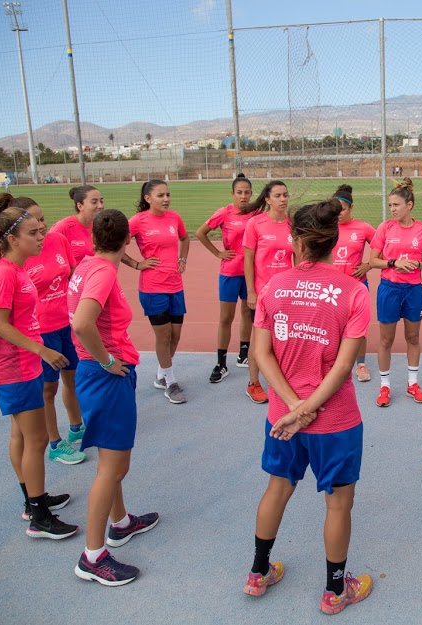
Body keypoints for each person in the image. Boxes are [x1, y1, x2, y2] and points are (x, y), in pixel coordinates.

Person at [245, 199, 373, 615]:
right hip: (334, 419)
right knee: (338, 502)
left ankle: (257, 573)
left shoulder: (273, 286)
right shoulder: (353, 291)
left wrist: (293, 405)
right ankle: (335, 591)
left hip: (281, 416)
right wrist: (309, 407)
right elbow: (343, 365)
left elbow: (261, 355)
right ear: (336, 242)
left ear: (294, 239)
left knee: (277, 489)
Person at [0, 192, 78, 540]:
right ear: (12, 239)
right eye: (33, 232)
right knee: (37, 438)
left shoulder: (15, 269)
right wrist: (41, 350)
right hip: (14, 367)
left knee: (23, 435)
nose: (41, 235)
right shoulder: (4, 274)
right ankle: (39, 514)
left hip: (23, 363)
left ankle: (33, 500)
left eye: (40, 230)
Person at [69, 208, 159, 586]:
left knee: (111, 459)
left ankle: (120, 523)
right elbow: (81, 322)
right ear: (127, 241)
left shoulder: (88, 264)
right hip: (105, 376)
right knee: (113, 467)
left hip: (98, 373)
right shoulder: (104, 272)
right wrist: (106, 361)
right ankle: (92, 557)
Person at [15, 196, 86, 465]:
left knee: (73, 377)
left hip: (67, 323)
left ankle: (76, 426)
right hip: (41, 332)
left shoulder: (58, 240)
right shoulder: (19, 256)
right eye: (34, 223)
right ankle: (55, 443)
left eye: (42, 219)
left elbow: (72, 275)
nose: (43, 226)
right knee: (48, 388)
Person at [367, 178, 422, 407]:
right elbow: (373, 261)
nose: (392, 210)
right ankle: (385, 386)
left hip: (413, 290)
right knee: (386, 340)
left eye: (396, 205)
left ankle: (412, 384)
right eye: (390, 205)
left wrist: (417, 264)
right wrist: (393, 262)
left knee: (413, 338)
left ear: (410, 205)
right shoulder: (385, 228)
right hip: (389, 289)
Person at [128, 180, 190, 404]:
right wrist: (137, 264)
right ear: (147, 198)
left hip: (175, 286)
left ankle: (162, 373)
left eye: (168, 195)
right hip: (153, 288)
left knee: (175, 336)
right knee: (163, 337)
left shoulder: (174, 217)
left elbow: (184, 238)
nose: (166, 199)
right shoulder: (138, 221)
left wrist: (182, 258)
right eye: (160, 195)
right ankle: (170, 382)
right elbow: (116, 245)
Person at [195, 173, 256, 383]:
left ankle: (243, 355)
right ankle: (221, 363)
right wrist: (218, 253)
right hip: (230, 272)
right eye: (239, 192)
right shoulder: (224, 213)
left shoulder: (256, 213)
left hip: (251, 273)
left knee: (248, 313)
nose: (243, 196)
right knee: (226, 318)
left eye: (247, 192)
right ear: (232, 194)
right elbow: (201, 233)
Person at [243, 180, 293, 404]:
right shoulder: (255, 224)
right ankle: (253, 383)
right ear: (267, 199)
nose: (283, 199)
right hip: (263, 294)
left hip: (287, 293)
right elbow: (248, 260)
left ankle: (281, 382)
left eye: (285, 195)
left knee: (283, 338)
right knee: (260, 341)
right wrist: (251, 293)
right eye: (278, 195)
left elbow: (298, 259)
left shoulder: (292, 224)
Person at [332, 183, 376, 382]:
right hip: (332, 287)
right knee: (332, 326)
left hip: (357, 286)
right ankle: (333, 363)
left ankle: (361, 364)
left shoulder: (363, 228)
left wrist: (368, 265)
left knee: (359, 328)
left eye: (342, 209)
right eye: (335, 209)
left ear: (351, 208)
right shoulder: (327, 227)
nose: (339, 213)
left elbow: (381, 248)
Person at [51, 185, 105, 266]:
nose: (100, 206)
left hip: (94, 275)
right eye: (94, 202)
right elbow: (47, 252)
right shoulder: (63, 227)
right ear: (80, 206)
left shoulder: (99, 225)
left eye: (101, 201)